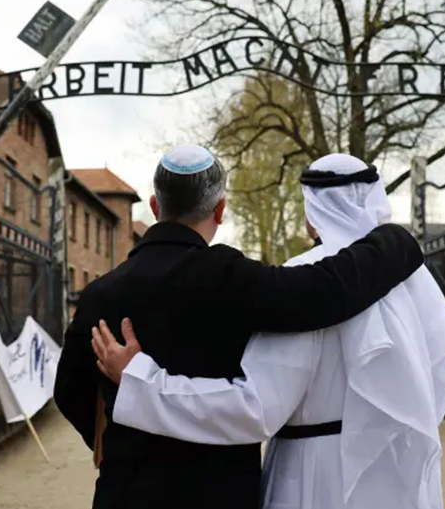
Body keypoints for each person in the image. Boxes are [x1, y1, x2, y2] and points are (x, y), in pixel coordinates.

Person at [54, 146, 425, 509]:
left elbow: (69, 391)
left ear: (154, 206)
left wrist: (123, 440)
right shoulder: (233, 278)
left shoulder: (99, 295)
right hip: (219, 489)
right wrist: (396, 240)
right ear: (220, 210)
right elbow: (323, 292)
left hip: (125, 489)